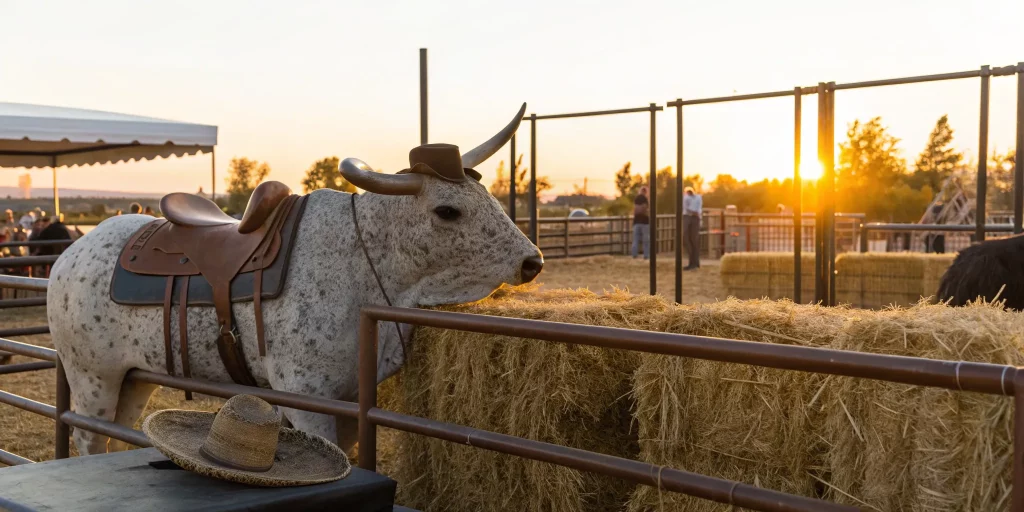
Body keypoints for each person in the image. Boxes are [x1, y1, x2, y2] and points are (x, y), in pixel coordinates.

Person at [683, 186, 703, 270]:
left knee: (689, 240)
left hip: (689, 217)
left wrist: (693, 212)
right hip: (695, 217)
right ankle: (695, 262)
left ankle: (693, 262)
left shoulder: (687, 198)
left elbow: (688, 209)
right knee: (693, 240)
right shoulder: (698, 197)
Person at [631, 186, 650, 260]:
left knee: (635, 239)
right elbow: (645, 209)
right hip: (644, 222)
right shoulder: (645, 199)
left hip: (636, 221)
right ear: (645, 192)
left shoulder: (636, 199)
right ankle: (646, 255)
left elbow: (635, 210)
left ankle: (634, 254)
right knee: (645, 239)